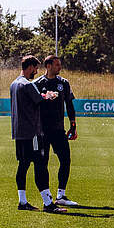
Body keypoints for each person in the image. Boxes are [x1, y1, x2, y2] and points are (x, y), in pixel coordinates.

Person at [10, 55, 63, 212]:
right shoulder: (27, 84)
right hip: (32, 132)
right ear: (30, 67)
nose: (36, 72)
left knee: (23, 165)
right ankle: (48, 203)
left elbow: (31, 100)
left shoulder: (14, 84)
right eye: (35, 68)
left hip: (19, 132)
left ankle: (22, 201)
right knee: (40, 166)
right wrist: (50, 96)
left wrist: (43, 96)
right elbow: (40, 102)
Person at [34, 54, 79, 206]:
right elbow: (32, 105)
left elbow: (69, 105)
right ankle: (47, 197)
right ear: (48, 66)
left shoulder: (63, 83)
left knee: (65, 160)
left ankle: (61, 195)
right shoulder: (37, 83)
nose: (60, 67)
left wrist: (73, 125)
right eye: (57, 65)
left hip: (59, 129)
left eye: (60, 64)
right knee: (42, 162)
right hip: (42, 131)